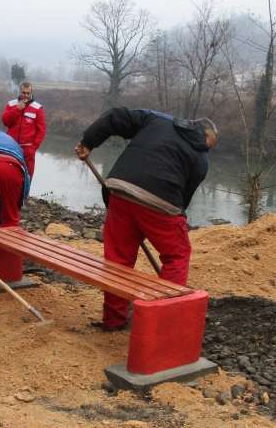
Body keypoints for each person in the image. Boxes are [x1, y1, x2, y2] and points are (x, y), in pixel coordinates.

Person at [74, 108, 218, 331]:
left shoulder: (156, 120)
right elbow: (183, 201)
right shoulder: (200, 159)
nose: (208, 149)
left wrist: (88, 142)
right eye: (210, 144)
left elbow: (116, 117)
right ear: (204, 134)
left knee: (118, 260)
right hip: (161, 202)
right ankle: (163, 325)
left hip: (119, 191)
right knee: (177, 255)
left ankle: (113, 320)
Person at [1, 81, 46, 177]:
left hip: (28, 150)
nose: (25, 95)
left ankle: (25, 192)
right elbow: (5, 122)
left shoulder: (38, 108)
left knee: (27, 177)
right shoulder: (11, 104)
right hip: (11, 147)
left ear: (31, 93)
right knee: (9, 175)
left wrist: (33, 147)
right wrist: (17, 109)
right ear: (20, 92)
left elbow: (41, 131)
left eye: (28, 93)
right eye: (23, 93)